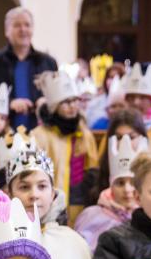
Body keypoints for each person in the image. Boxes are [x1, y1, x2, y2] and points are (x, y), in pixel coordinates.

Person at [0, 7, 58, 130]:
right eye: (17, 25)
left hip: (41, 131)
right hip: (3, 131)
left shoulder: (48, 63)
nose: (23, 29)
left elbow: (59, 100)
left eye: (27, 25)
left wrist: (45, 101)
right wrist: (8, 103)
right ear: (6, 31)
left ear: (32, 29)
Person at [31, 70, 100, 207]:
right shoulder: (39, 135)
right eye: (66, 102)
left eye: (75, 100)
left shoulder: (84, 134)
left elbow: (92, 168)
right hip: (50, 203)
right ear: (55, 106)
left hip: (79, 202)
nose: (72, 106)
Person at [75, 135, 144, 252]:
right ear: (111, 185)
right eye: (120, 183)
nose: (127, 189)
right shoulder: (91, 216)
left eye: (133, 183)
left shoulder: (148, 218)